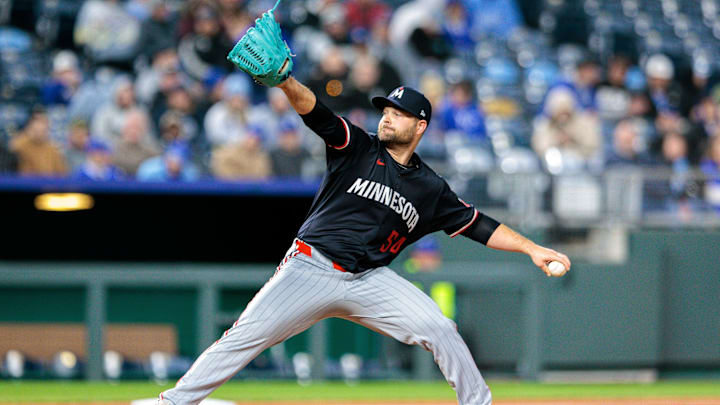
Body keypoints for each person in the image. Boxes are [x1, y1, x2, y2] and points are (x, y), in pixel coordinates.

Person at [158, 74, 571, 405]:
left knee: (439, 327)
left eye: (400, 113)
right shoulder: (355, 148)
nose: (388, 117)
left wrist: (532, 248)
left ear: (420, 125)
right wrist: (285, 81)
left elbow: (478, 225)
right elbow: (315, 111)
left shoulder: (430, 188)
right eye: (386, 110)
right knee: (244, 337)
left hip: (369, 281)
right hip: (311, 265)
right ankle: (174, 402)